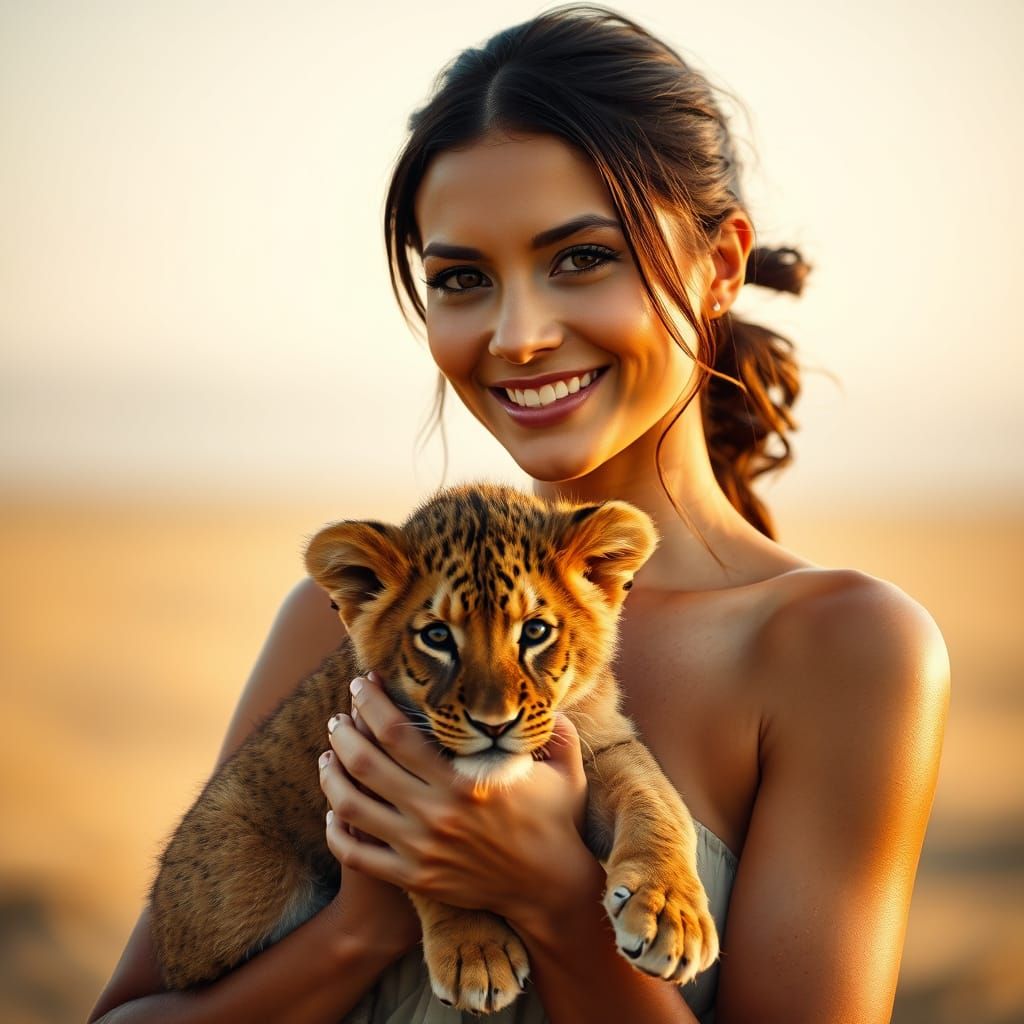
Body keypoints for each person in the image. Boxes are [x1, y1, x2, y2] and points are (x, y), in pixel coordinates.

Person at [89, 6, 949, 1023]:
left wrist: (548, 895)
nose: (519, 334)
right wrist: (364, 924)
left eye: (580, 256)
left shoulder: (845, 648)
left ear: (718, 265)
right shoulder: (336, 620)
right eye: (460, 277)